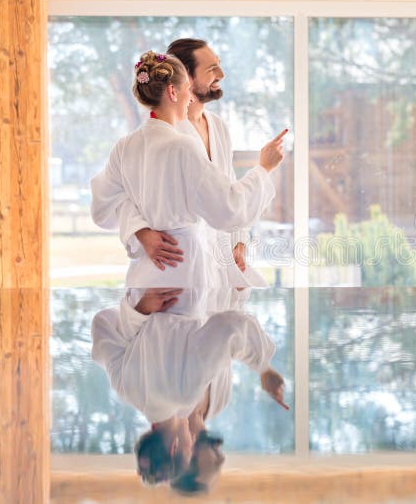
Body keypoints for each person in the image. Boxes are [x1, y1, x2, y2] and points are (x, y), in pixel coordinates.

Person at [90, 50, 287, 288]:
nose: (190, 98)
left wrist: (142, 230)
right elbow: (229, 207)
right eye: (186, 90)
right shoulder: (184, 146)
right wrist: (264, 168)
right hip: (184, 270)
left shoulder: (124, 146)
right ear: (173, 92)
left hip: (145, 275)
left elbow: (101, 209)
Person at [91, 287, 288, 486]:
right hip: (161, 278)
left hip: (191, 280)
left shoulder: (185, 394)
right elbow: (103, 323)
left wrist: (264, 368)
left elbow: (230, 326)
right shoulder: (126, 389)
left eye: (188, 451)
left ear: (175, 447)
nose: (192, 443)